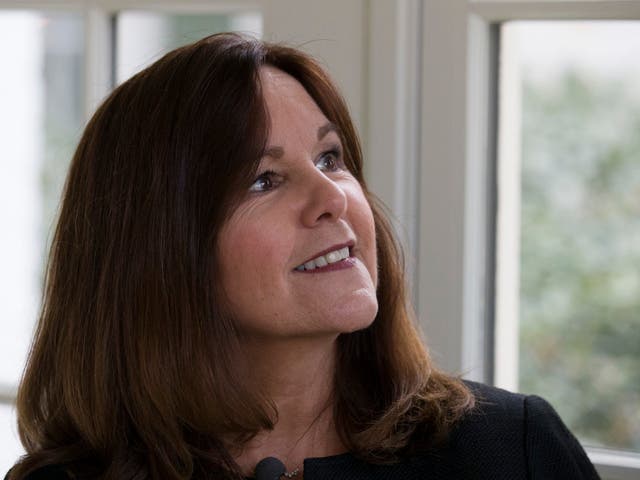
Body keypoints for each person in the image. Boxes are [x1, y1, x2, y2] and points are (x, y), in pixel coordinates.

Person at [6, 33, 599, 480]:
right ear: (157, 250)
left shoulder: (514, 450)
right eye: (265, 180)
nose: (331, 198)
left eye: (331, 158)